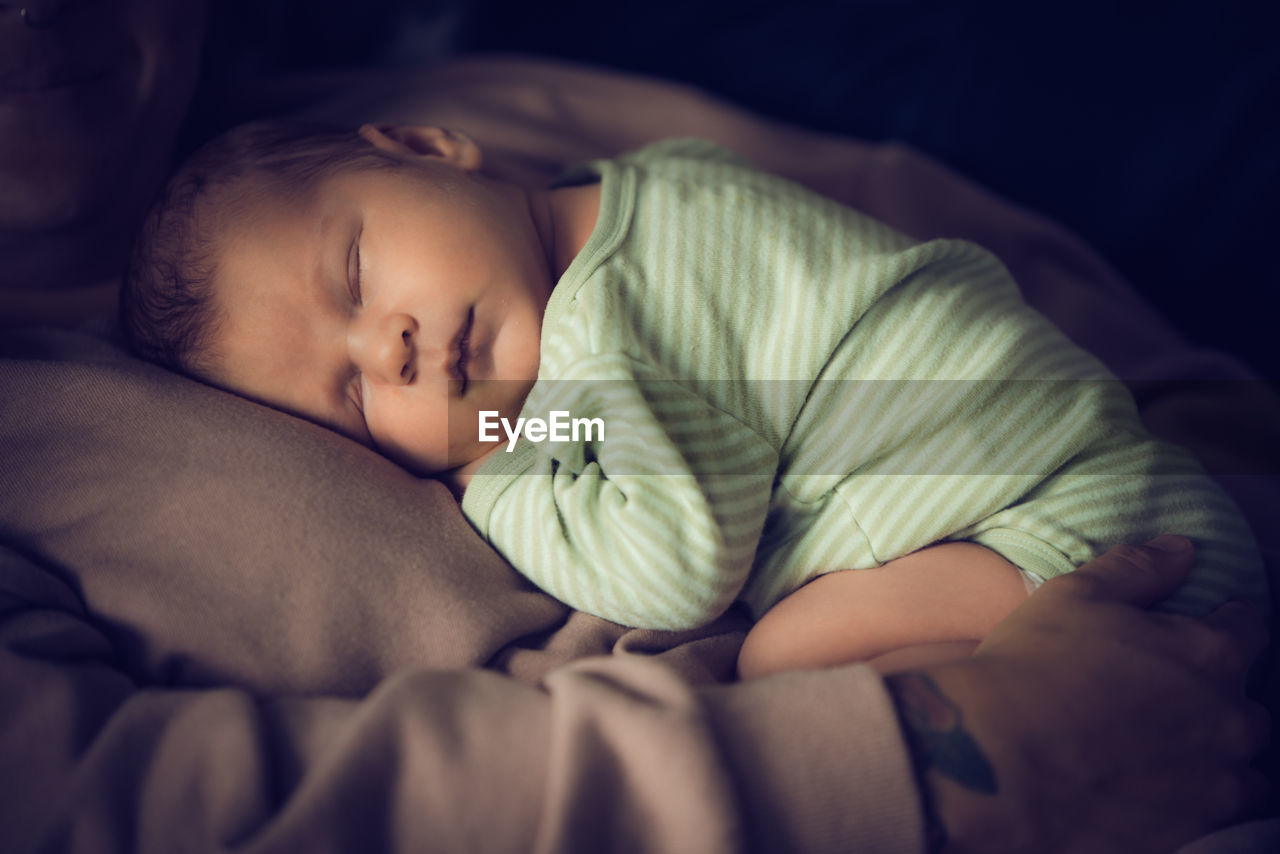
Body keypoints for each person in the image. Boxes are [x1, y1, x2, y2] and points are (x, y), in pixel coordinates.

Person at [119, 120, 1265, 679]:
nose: (398, 348)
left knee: (779, 663)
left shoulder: (598, 350)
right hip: (1117, 491)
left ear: (426, 144)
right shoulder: (659, 185)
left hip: (1078, 544)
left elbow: (673, 565)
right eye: (355, 395)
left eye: (356, 277)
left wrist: (501, 471)